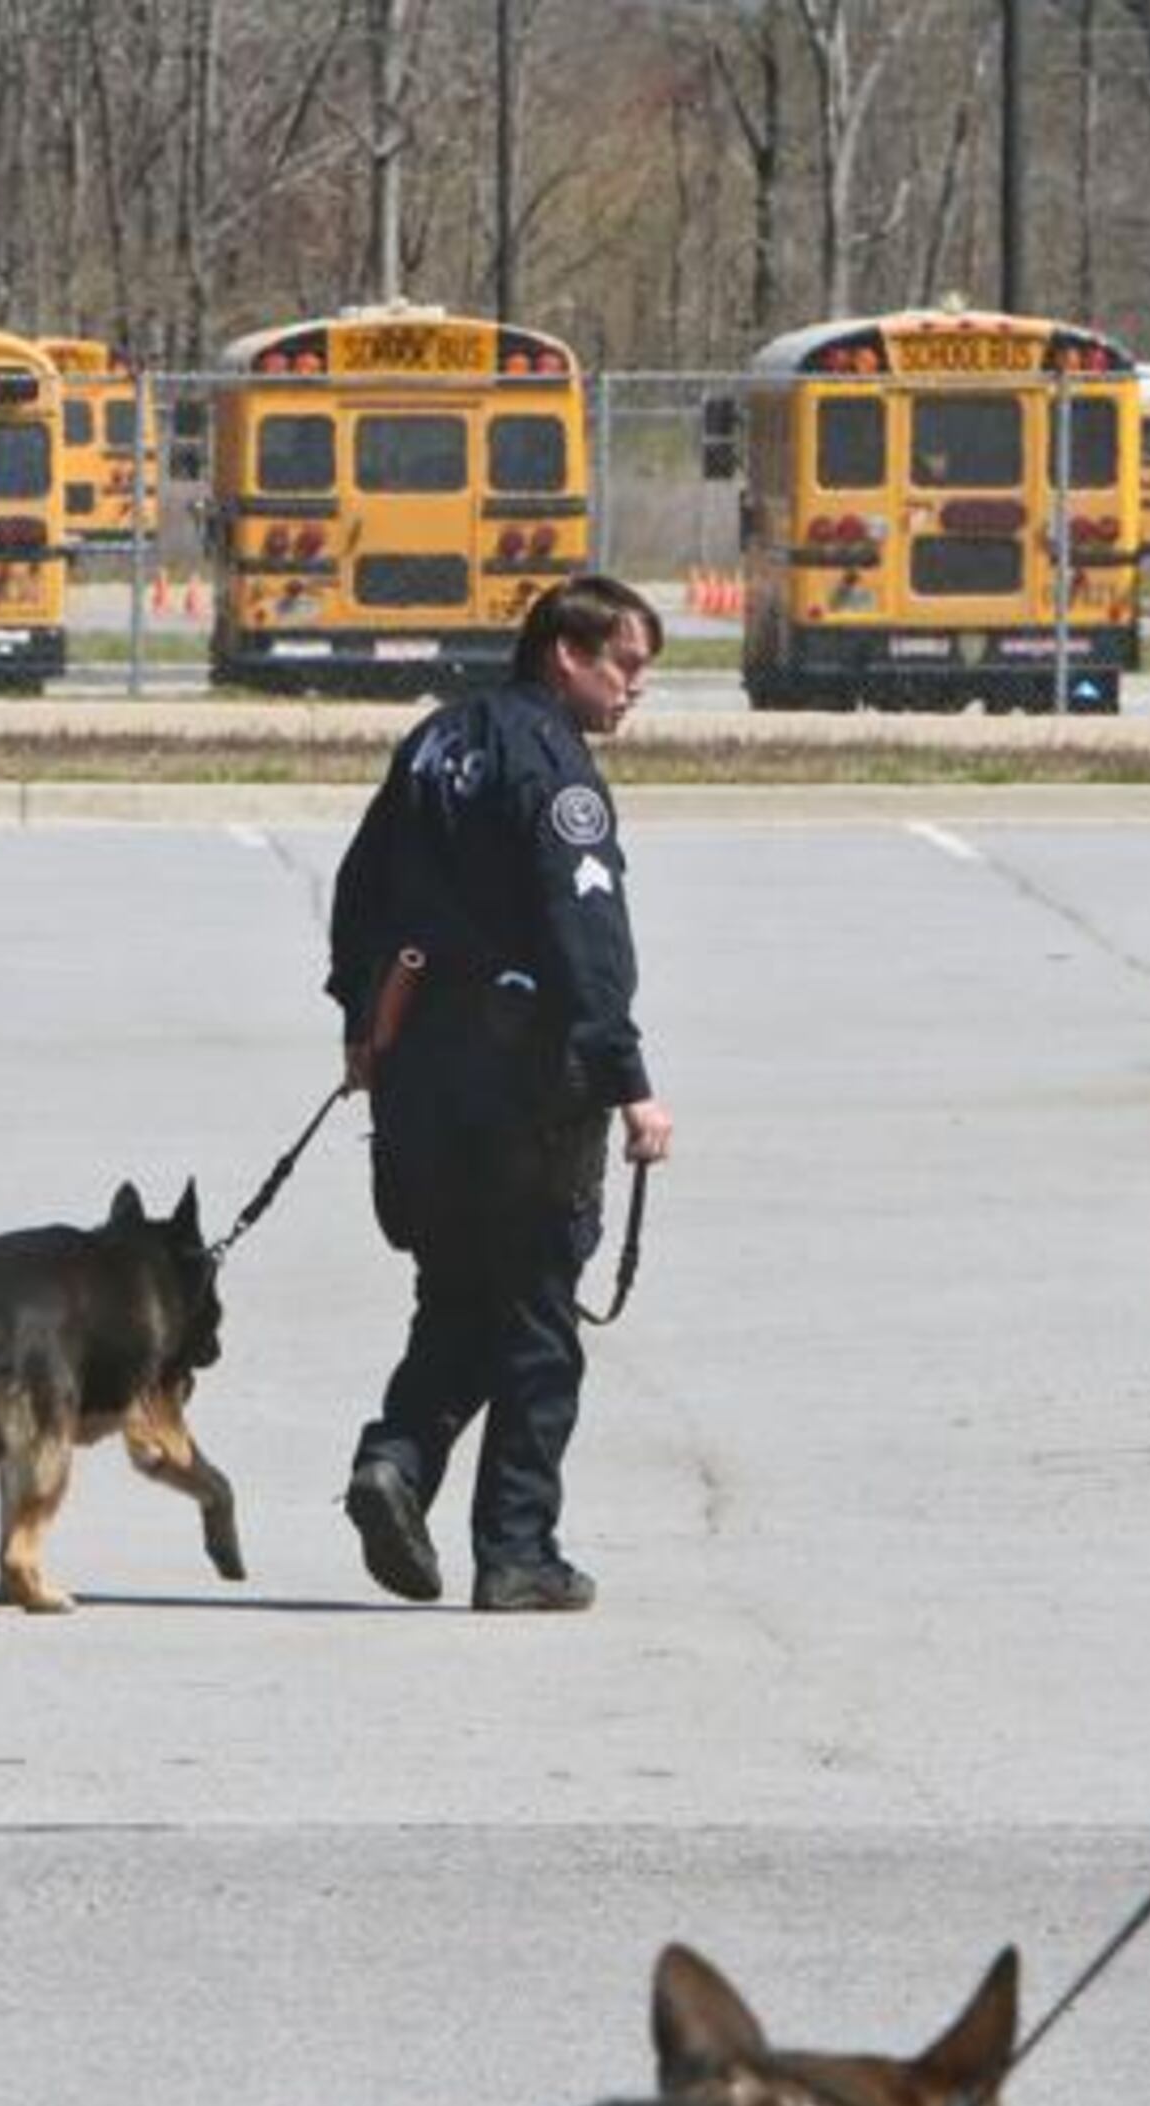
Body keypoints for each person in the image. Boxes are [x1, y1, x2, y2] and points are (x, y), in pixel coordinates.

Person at [327, 576, 674, 1615]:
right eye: (626, 665)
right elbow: (586, 937)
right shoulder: (555, 769)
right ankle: (518, 1551)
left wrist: (360, 1024)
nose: (633, 691)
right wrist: (630, 1084)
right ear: (565, 655)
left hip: (422, 1081)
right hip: (524, 1084)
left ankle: (395, 1462)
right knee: (534, 1322)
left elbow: (360, 890)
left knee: (460, 1296)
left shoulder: (436, 742)